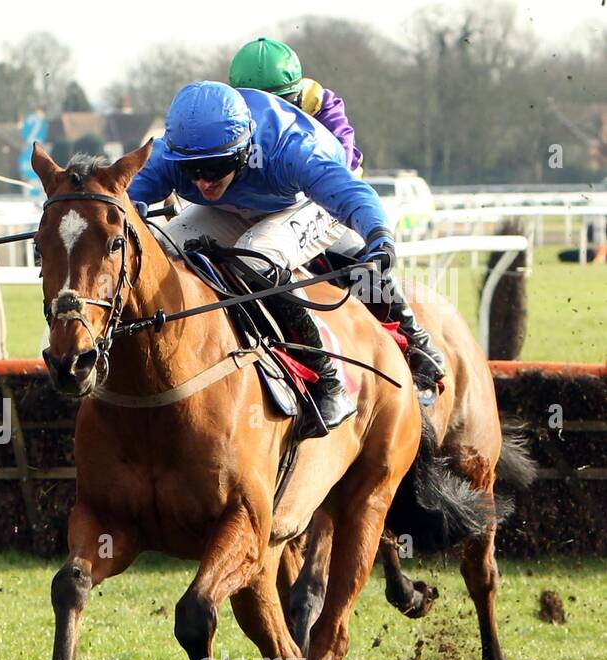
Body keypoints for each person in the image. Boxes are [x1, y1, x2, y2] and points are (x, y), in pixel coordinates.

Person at [128, 81, 396, 434]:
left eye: (217, 166)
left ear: (243, 150)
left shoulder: (291, 148)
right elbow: (122, 205)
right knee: (159, 251)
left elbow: (351, 194)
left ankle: (326, 381)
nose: (204, 182)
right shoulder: (168, 156)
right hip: (232, 206)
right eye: (193, 170)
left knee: (257, 257)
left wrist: (379, 238)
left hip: (306, 202)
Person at [229, 38, 446, 393]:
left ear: (297, 96)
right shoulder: (228, 114)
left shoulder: (324, 106)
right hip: (261, 206)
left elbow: (338, 169)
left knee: (357, 258)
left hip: (323, 202)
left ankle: (417, 342)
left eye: (281, 104)